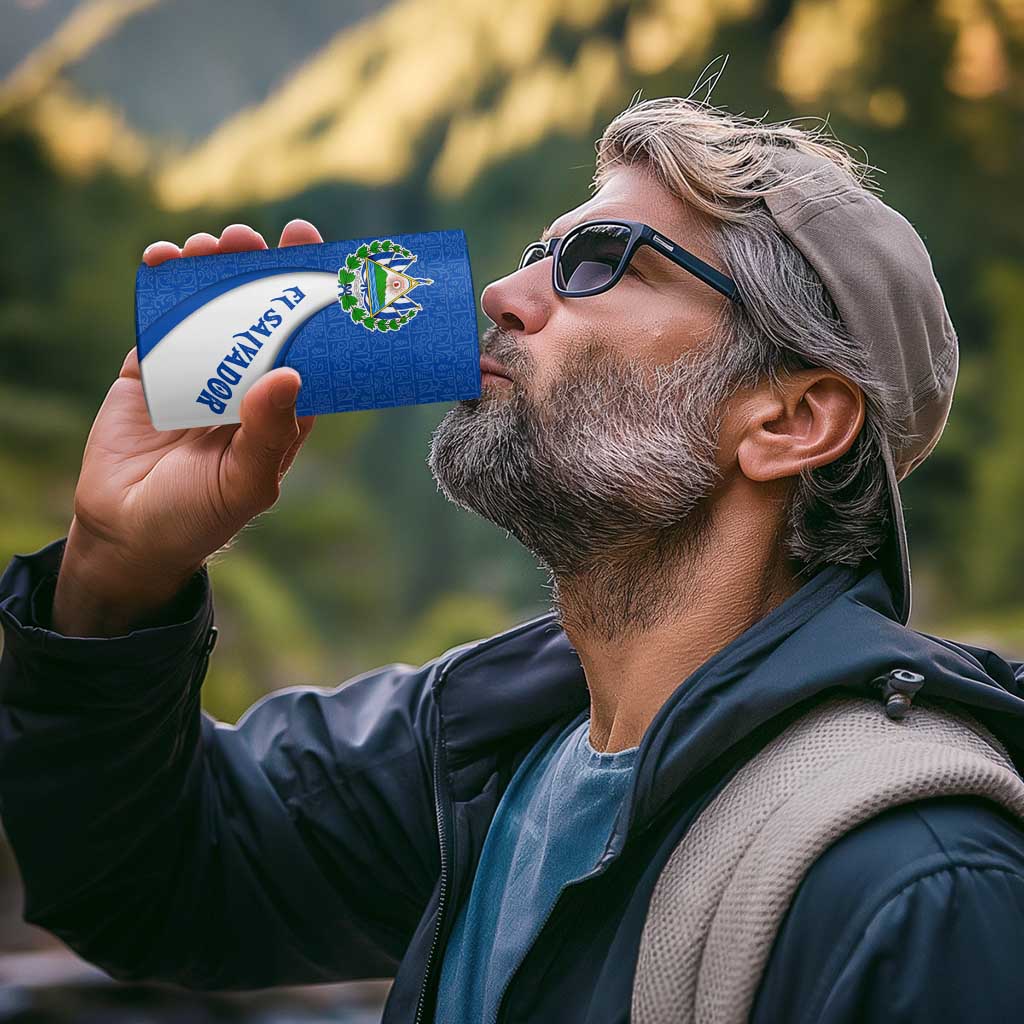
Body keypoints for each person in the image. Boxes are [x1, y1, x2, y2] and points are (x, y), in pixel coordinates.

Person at [2, 95, 1024, 1024]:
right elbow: (149, 880)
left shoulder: (918, 883)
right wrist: (116, 572)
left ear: (791, 419)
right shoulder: (479, 750)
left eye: (600, 261)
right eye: (540, 252)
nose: (502, 291)